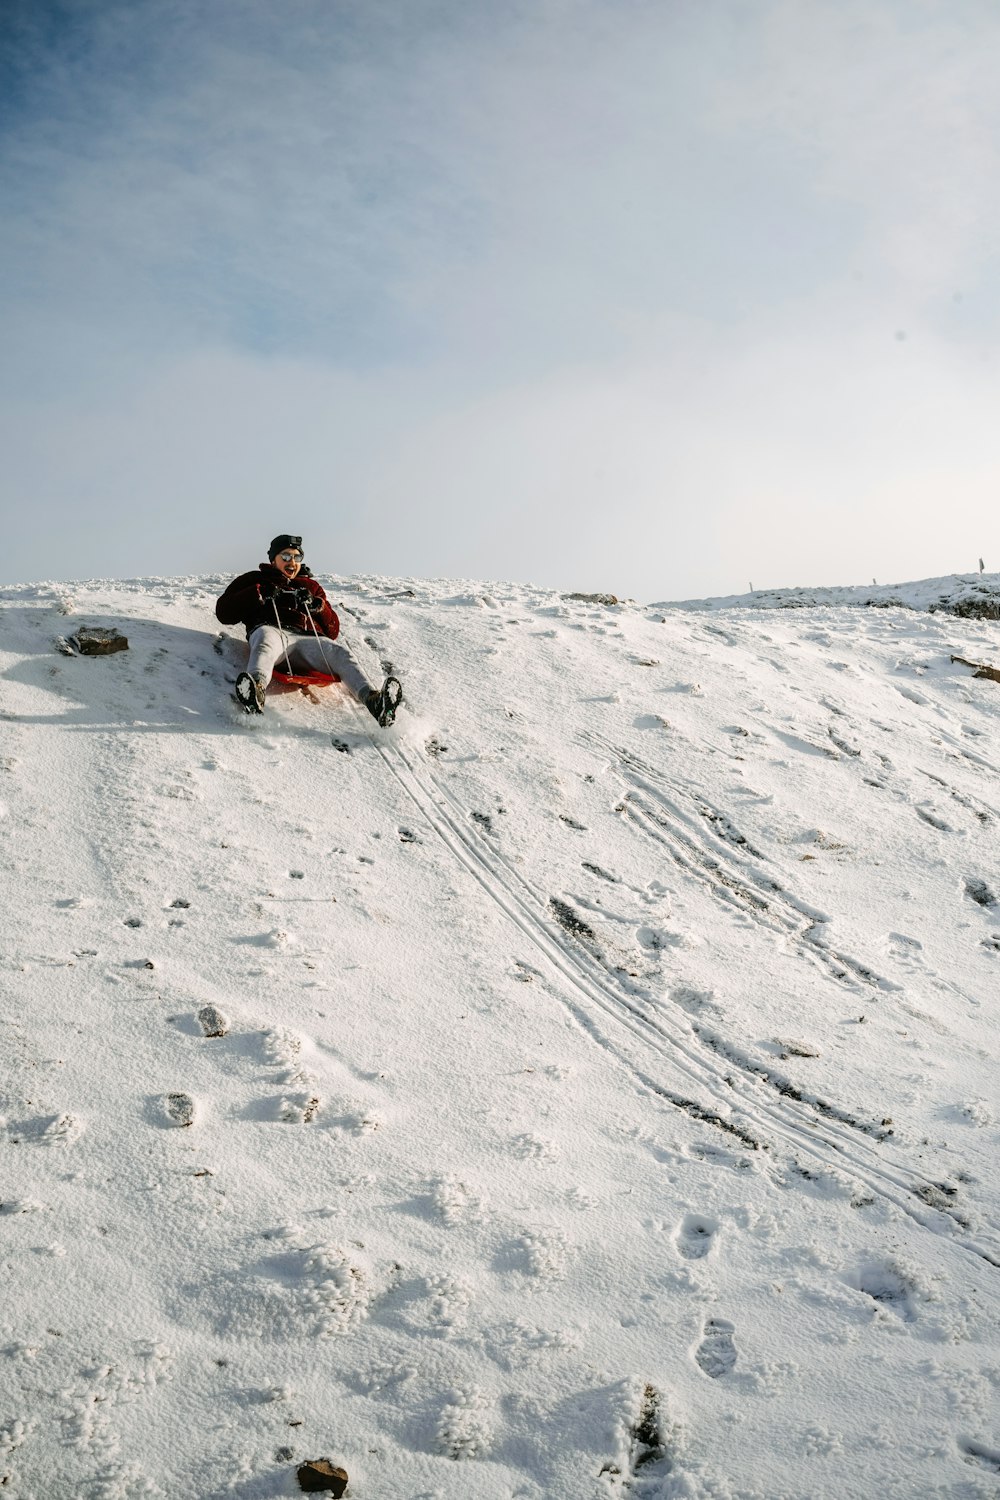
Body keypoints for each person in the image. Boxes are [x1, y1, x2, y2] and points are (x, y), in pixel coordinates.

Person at [215, 534, 403, 725]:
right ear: (273, 559)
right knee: (265, 641)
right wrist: (258, 593)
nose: (292, 562)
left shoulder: (311, 586)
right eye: (286, 556)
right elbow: (223, 612)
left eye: (297, 558)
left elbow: (332, 631)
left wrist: (317, 606)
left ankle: (373, 701)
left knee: (340, 653)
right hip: (273, 631)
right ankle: (255, 689)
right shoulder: (255, 579)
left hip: (308, 641)